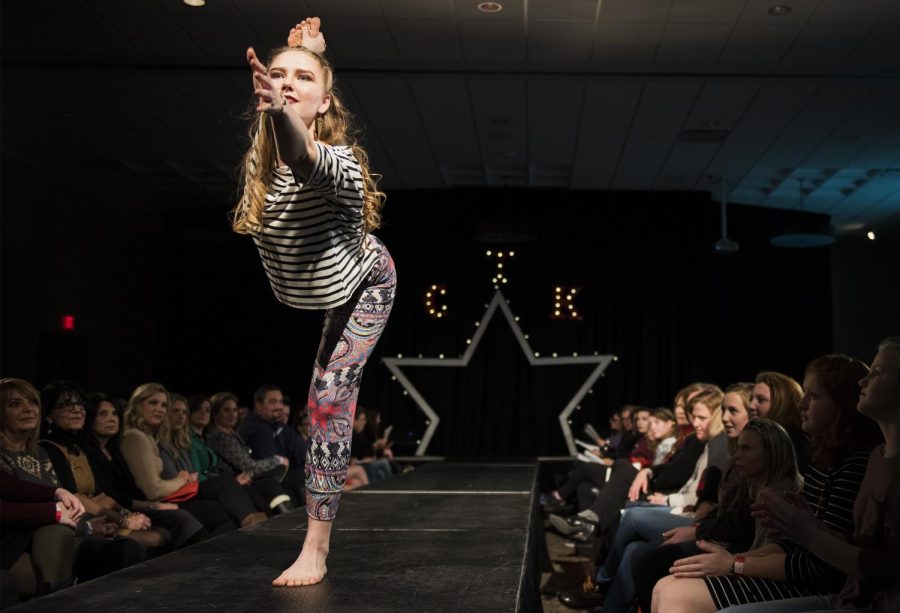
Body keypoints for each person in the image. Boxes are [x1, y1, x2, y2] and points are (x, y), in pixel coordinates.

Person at [235, 16, 396, 586]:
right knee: (321, 394)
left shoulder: (342, 165)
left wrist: (283, 103)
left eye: (303, 79)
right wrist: (304, 57)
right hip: (315, 292)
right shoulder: (259, 164)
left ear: (326, 101)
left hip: (365, 281)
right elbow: (284, 144)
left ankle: (316, 547)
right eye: (277, 76)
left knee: (328, 400)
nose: (286, 83)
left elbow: (306, 157)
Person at [653, 354, 883, 613]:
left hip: (820, 585)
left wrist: (735, 563)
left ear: (843, 405)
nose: (802, 402)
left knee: (675, 592)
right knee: (665, 585)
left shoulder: (854, 463)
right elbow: (798, 543)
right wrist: (732, 559)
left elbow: (822, 565)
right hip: (794, 569)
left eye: (814, 396)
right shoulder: (823, 460)